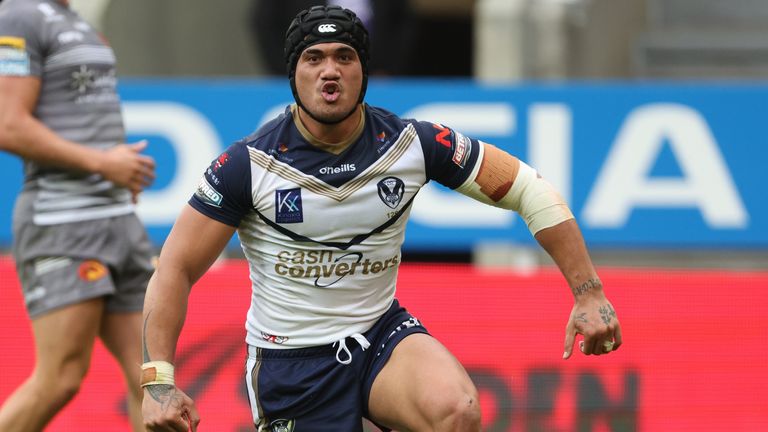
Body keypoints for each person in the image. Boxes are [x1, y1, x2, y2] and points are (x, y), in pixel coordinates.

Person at [141, 5, 622, 432]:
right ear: (293, 75)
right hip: (291, 363)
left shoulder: (413, 143)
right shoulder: (248, 165)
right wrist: (158, 381)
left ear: (364, 72)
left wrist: (589, 292)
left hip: (380, 336)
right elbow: (175, 267)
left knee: (457, 411)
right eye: (314, 58)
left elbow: (528, 189)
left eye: (344, 57)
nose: (330, 71)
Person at [0, 1, 156, 431]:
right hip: (63, 224)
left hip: (119, 220)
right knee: (61, 379)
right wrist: (103, 164)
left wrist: (120, 177)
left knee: (154, 382)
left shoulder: (73, 18)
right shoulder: (19, 16)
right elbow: (7, 124)